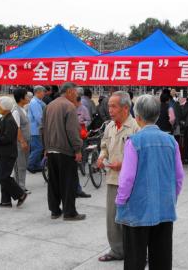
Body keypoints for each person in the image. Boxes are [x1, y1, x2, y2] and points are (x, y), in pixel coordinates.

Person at [115, 94, 185, 270]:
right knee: (162, 258)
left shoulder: (134, 142)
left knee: (135, 259)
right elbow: (179, 176)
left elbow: (127, 178)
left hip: (138, 209)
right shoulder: (171, 141)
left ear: (137, 117)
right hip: (164, 206)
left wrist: (120, 200)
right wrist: (172, 197)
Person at [96, 91, 140, 262]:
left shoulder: (136, 127)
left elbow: (139, 154)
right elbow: (104, 145)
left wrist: (124, 164)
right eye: (109, 106)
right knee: (113, 217)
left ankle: (135, 251)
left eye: (113, 106)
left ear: (126, 108)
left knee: (131, 218)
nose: (110, 110)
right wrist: (101, 157)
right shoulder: (110, 126)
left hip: (131, 181)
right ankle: (117, 250)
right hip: (113, 179)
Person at [42, 82, 86, 220]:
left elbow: (43, 128)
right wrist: (78, 149)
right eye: (76, 93)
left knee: (53, 182)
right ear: (70, 92)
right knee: (69, 182)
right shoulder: (69, 106)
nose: (77, 95)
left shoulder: (49, 105)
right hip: (65, 150)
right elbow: (72, 131)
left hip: (51, 149)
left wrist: (46, 147)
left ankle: (55, 211)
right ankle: (69, 212)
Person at [0, 97, 28, 208]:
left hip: (7, 153)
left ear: (5, 108)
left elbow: (7, 138)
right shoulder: (2, 119)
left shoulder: (10, 120)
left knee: (5, 177)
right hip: (1, 152)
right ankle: (5, 201)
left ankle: (21, 194)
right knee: (2, 178)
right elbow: (0, 136)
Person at [11, 88, 31, 192]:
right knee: (20, 165)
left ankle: (19, 186)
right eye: (26, 96)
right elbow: (17, 128)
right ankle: (21, 188)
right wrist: (22, 141)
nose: (28, 98)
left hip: (26, 141)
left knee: (23, 164)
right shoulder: (16, 111)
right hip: (20, 143)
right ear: (21, 98)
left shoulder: (23, 108)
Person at [27, 85, 46, 173]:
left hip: (36, 129)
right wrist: (45, 126)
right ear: (38, 92)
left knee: (38, 147)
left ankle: (37, 164)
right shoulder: (34, 102)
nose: (44, 94)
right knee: (37, 148)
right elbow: (38, 117)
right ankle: (30, 165)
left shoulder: (38, 102)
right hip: (35, 130)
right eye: (43, 92)